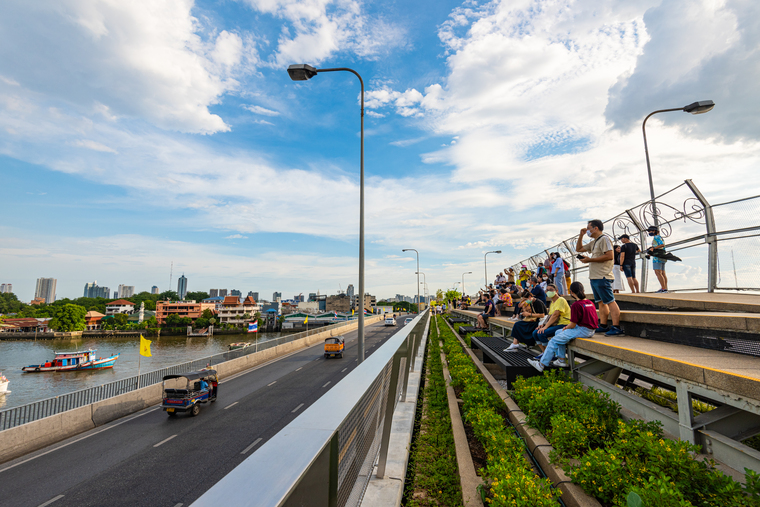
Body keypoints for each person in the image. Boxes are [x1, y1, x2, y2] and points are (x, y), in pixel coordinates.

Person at [528, 281, 599, 371]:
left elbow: (572, 324)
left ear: (572, 292)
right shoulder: (590, 302)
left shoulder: (576, 305)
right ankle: (561, 360)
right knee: (558, 332)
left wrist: (565, 328)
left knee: (553, 341)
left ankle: (541, 364)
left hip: (582, 330)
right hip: (590, 330)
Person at [576, 219, 623, 336]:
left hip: (603, 276)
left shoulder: (604, 239)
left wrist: (589, 259)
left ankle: (616, 326)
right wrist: (580, 236)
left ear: (595, 228)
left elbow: (610, 255)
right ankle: (603, 325)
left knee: (610, 301)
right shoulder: (595, 242)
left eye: (588, 228)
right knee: (601, 302)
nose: (587, 231)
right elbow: (579, 249)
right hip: (595, 276)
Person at [531, 283, 572, 352]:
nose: (549, 291)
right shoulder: (552, 302)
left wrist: (545, 327)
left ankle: (550, 354)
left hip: (564, 324)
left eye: (551, 290)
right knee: (535, 333)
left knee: (541, 333)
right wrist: (543, 325)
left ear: (556, 291)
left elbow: (555, 315)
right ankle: (544, 353)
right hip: (556, 324)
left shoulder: (561, 299)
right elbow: (550, 316)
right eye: (547, 290)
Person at [647, 225, 668, 292]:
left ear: (656, 231)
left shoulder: (656, 237)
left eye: (651, 231)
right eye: (649, 231)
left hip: (657, 257)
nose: (650, 232)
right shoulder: (660, 237)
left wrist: (653, 248)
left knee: (658, 272)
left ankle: (663, 288)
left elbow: (662, 245)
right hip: (662, 255)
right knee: (663, 273)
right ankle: (665, 288)